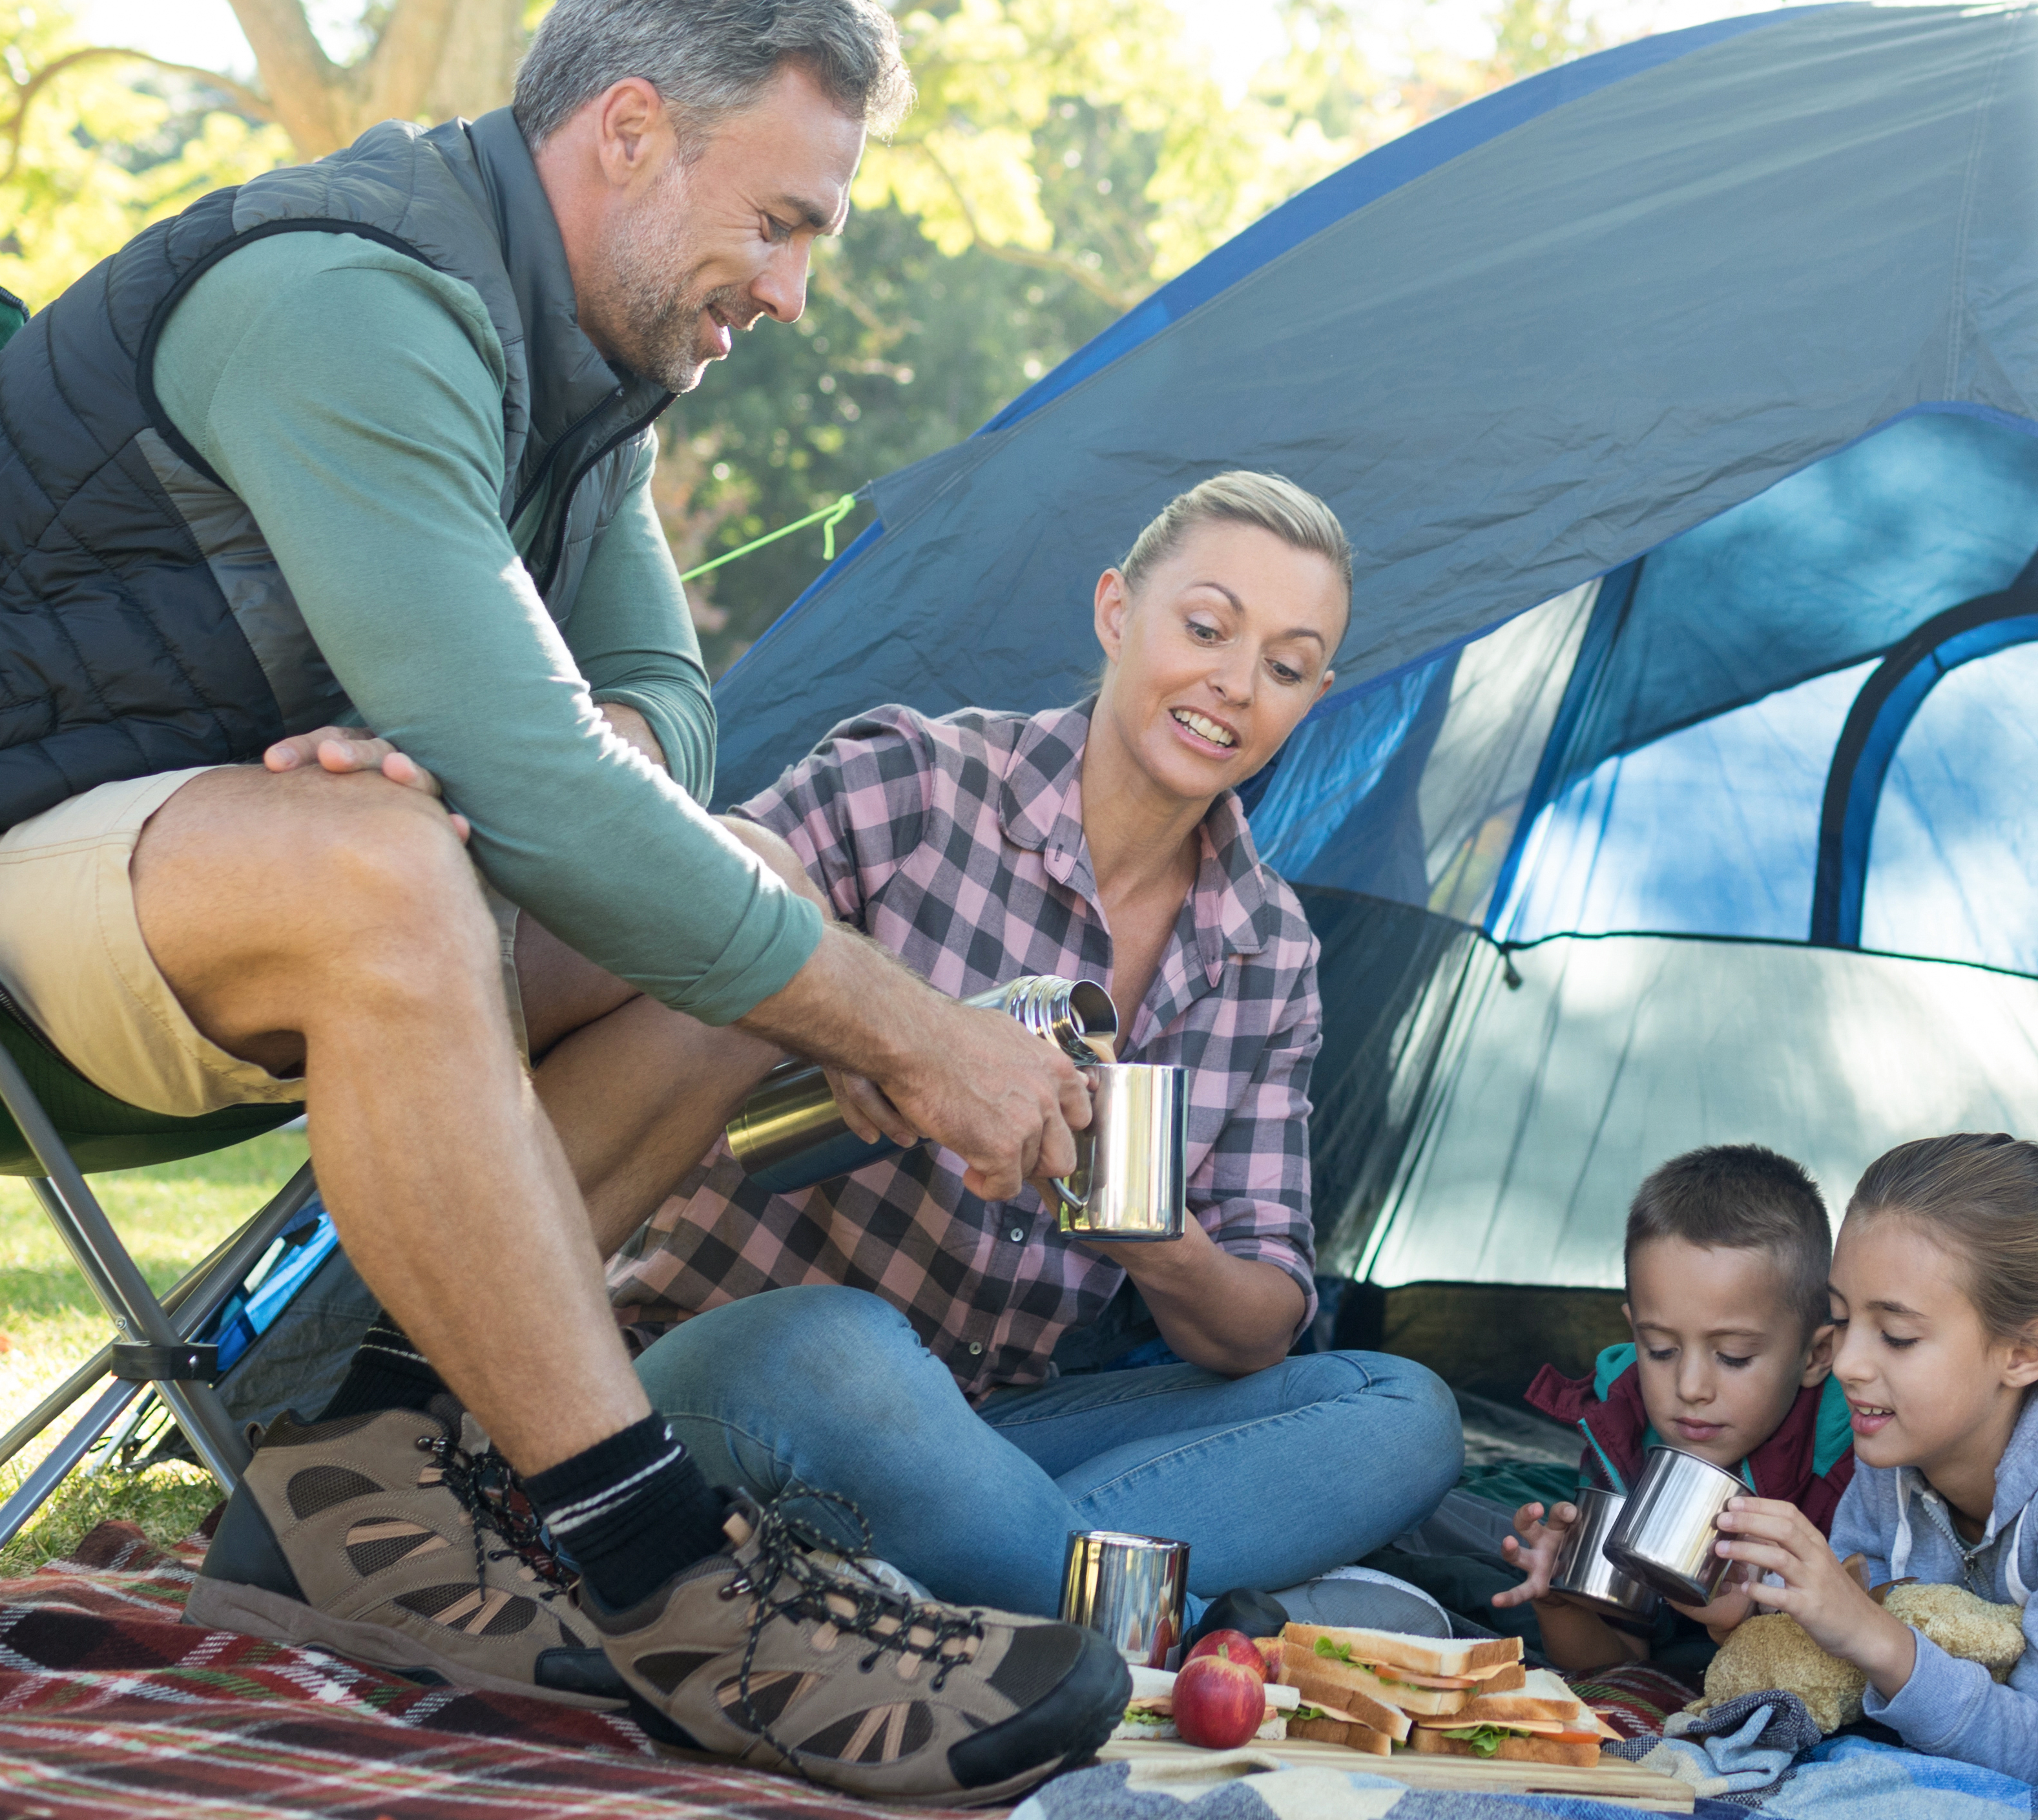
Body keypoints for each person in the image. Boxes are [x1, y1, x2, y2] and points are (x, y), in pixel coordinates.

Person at [0, 0, 1128, 1804]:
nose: (796, 290)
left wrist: (492, 753)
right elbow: (565, 794)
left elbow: (652, 709)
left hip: (168, 846)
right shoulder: (352, 298)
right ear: (631, 132)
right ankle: (664, 1573)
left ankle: (373, 1450)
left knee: (728, 884)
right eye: (786, 219)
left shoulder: (576, 374)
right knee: (399, 873)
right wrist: (909, 1029)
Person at [567, 472, 1464, 1616]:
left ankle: (956, 1586)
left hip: (991, 1435)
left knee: (1401, 1413)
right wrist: (873, 1029)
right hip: (741, 1365)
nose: (1234, 686)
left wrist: (1147, 1231)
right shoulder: (923, 782)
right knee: (848, 1345)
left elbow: (1264, 1322)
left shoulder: (1267, 951)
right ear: (1114, 613)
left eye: (1285, 668)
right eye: (1205, 629)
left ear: (1313, 698)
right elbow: (704, 888)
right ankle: (1147, 1620)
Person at [1711, 1133, 2038, 1785]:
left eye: (1898, 1335)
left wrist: (1871, 1634)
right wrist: (1756, 1608)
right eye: (1842, 1318)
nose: (1848, 1363)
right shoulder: (1897, 1431)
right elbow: (1839, 1654)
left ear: (2023, 1352)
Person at [1488, 1144, 1848, 1675]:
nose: (1691, 1387)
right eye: (1660, 1350)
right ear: (1633, 1332)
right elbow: (1615, 1667)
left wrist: (1737, 1624)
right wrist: (1558, 1599)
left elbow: (1848, 1677)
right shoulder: (1624, 1431)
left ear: (1816, 1356)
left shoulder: (1846, 1463)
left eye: (1733, 1356)